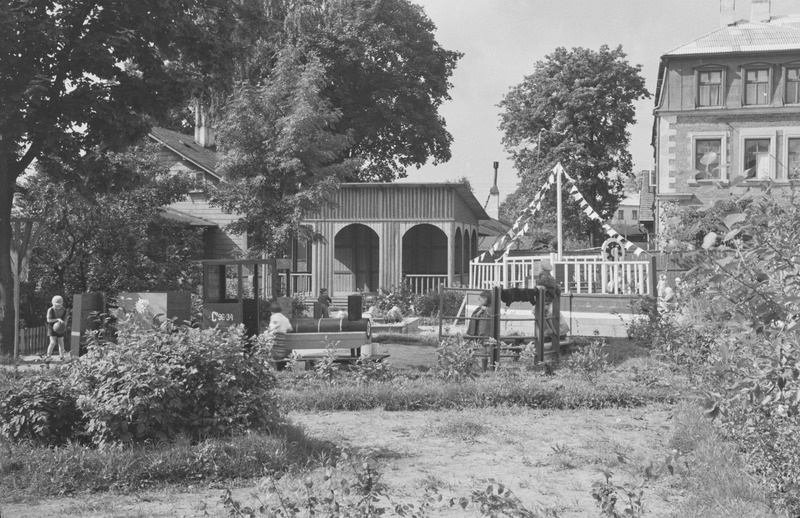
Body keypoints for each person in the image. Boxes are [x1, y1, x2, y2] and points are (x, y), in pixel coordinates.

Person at [536, 262, 560, 336]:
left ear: (543, 269)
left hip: (543, 299)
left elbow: (539, 287)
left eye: (540, 268)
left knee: (536, 312)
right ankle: (553, 330)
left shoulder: (543, 277)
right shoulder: (552, 278)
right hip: (550, 299)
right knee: (545, 315)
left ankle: (546, 330)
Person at [46, 295, 69, 360]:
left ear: (62, 304)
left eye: (59, 305)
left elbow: (65, 321)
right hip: (51, 327)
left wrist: (64, 326)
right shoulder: (50, 310)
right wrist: (58, 319)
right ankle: (48, 356)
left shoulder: (65, 311)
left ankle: (62, 357)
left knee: (61, 342)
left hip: (60, 327)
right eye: (56, 305)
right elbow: (48, 320)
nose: (58, 306)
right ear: (53, 303)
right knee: (53, 342)